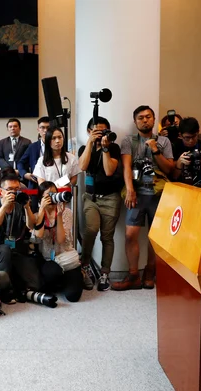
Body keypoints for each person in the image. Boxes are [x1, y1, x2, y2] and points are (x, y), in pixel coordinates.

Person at [114, 106, 174, 291]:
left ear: (154, 119)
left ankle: (150, 271)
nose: (145, 120)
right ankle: (133, 275)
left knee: (155, 237)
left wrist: (155, 150)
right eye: (140, 118)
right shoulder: (129, 141)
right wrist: (130, 189)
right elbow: (126, 167)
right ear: (135, 121)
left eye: (148, 117)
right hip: (137, 194)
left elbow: (169, 169)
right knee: (131, 234)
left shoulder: (163, 141)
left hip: (158, 194)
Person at [77, 117, 123, 291]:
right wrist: (90, 143)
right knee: (90, 230)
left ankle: (105, 273)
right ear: (89, 131)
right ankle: (85, 266)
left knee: (107, 236)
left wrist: (104, 148)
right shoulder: (84, 147)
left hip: (110, 198)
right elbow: (82, 166)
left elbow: (109, 170)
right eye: (96, 131)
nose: (100, 134)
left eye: (104, 131)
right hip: (91, 198)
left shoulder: (113, 148)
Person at [0, 171, 37, 303]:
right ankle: (3, 290)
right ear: (1, 191)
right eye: (10, 190)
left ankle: (15, 285)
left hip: (16, 250)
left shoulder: (20, 206)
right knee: (4, 249)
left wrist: (27, 207)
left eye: (17, 189)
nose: (14, 193)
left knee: (36, 284)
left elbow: (31, 225)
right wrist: (5, 206)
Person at [32, 181, 83, 303]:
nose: (53, 197)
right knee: (52, 273)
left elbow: (60, 239)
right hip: (49, 259)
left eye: (55, 194)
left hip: (66, 256)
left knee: (73, 296)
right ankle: (61, 278)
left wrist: (59, 216)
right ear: (41, 198)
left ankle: (75, 275)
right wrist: (41, 211)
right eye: (49, 195)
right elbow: (38, 236)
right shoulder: (36, 215)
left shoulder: (66, 212)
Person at [170, 117, 201, 188]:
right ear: (180, 135)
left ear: (198, 132)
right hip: (179, 188)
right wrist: (178, 165)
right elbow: (173, 178)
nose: (191, 140)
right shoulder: (174, 147)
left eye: (194, 136)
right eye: (187, 138)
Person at [18, 116, 50, 189]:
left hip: (52, 183)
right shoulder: (33, 147)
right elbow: (20, 163)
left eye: (48, 128)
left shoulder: (57, 146)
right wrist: (25, 174)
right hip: (35, 184)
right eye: (42, 127)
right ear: (38, 129)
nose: (45, 130)